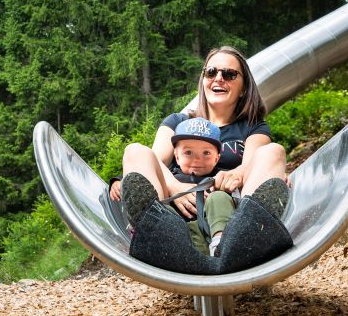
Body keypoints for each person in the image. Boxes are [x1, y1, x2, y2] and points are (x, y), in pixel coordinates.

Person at [110, 46, 293, 275]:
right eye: (211, 72)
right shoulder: (177, 122)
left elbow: (253, 160)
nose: (219, 78)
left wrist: (237, 174)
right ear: (203, 79)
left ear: (244, 86)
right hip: (178, 213)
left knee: (273, 151)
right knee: (135, 150)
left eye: (229, 74)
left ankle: (248, 231)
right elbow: (155, 160)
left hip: (230, 210)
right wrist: (177, 186)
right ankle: (155, 229)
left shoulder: (253, 126)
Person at [166, 117, 235, 257]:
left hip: (213, 230)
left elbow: (245, 179)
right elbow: (144, 175)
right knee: (164, 208)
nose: (197, 159)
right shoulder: (171, 178)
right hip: (183, 237)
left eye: (206, 153)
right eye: (188, 152)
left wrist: (268, 173)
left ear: (217, 158)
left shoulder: (220, 177)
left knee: (220, 197)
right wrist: (119, 181)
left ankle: (221, 247)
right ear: (177, 157)